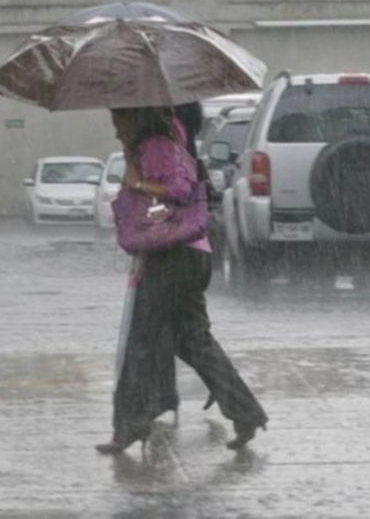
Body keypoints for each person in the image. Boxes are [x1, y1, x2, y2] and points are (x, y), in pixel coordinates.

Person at [96, 106, 268, 454]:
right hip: (187, 254)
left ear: (137, 117)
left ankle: (129, 426)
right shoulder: (159, 143)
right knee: (192, 341)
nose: (116, 131)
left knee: (141, 341)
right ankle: (246, 412)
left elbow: (178, 189)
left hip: (174, 256)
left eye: (120, 122)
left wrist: (138, 182)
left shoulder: (158, 144)